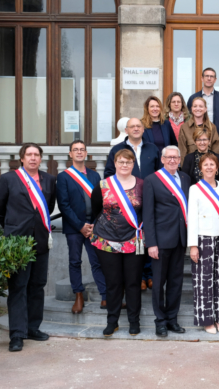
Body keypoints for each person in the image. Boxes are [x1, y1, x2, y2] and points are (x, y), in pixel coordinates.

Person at [0, 143, 56, 352]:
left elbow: (47, 208)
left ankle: (32, 328)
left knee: (37, 285)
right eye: (29, 154)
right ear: (22, 158)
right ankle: (17, 334)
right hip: (17, 243)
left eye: (36, 154)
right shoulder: (9, 179)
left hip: (41, 240)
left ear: (41, 158)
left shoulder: (49, 180)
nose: (33, 158)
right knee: (18, 287)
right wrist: (13, 225)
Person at [91, 149, 145, 337]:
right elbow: (96, 209)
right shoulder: (103, 185)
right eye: (121, 161)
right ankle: (112, 321)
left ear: (133, 164)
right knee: (113, 283)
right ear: (115, 163)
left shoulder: (142, 185)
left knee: (133, 282)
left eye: (128, 162)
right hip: (107, 241)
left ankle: (134, 321)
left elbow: (145, 211)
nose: (124, 165)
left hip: (134, 241)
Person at [104, 117, 160, 292]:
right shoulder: (117, 150)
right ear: (126, 130)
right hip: (126, 201)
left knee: (148, 233)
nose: (136, 129)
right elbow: (109, 173)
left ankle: (149, 274)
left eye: (138, 126)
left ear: (143, 129)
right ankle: (140, 277)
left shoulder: (153, 148)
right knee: (133, 236)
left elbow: (159, 173)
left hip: (149, 197)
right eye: (132, 126)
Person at [143, 146, 191, 337]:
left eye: (175, 157)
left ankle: (172, 319)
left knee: (176, 282)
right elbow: (148, 214)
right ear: (162, 159)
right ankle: (160, 321)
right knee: (158, 283)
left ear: (179, 159)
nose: (172, 160)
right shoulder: (152, 180)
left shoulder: (185, 178)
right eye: (168, 157)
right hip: (160, 241)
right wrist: (151, 243)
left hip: (180, 238)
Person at [56, 140, 106, 314]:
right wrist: (80, 226)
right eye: (75, 150)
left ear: (86, 153)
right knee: (75, 261)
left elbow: (100, 202)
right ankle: (78, 295)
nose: (79, 152)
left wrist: (93, 224)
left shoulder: (95, 176)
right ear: (70, 154)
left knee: (97, 261)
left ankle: (105, 295)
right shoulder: (64, 177)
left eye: (82, 149)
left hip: (94, 226)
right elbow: (63, 205)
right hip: (74, 227)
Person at [187, 153, 219, 334]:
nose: (209, 167)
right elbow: (192, 218)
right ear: (200, 168)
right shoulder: (194, 189)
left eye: (212, 164)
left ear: (217, 168)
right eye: (205, 164)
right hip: (203, 239)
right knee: (203, 281)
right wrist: (193, 245)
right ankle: (207, 320)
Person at [187, 67, 219, 137]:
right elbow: (188, 118)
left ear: (215, 80)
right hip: (197, 137)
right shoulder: (193, 98)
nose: (209, 78)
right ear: (202, 78)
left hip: (218, 137)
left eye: (211, 76)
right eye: (207, 76)